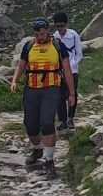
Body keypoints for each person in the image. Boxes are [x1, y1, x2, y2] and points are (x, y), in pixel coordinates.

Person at [10, 18, 76, 177]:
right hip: (31, 88)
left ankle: (49, 160)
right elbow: (21, 65)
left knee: (46, 123)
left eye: (42, 33)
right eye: (37, 34)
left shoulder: (58, 46)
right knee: (30, 123)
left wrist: (71, 93)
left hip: (52, 88)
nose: (40, 36)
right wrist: (14, 81)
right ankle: (37, 149)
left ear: (47, 30)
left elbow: (67, 70)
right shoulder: (29, 46)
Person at [52, 11, 83, 130]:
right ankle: (62, 120)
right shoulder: (54, 37)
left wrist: (70, 66)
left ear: (66, 24)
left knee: (72, 93)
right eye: (58, 26)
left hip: (72, 69)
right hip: (58, 71)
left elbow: (79, 54)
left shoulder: (74, 35)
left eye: (62, 25)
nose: (60, 28)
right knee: (59, 96)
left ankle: (70, 118)